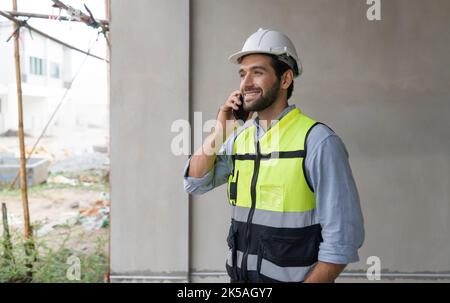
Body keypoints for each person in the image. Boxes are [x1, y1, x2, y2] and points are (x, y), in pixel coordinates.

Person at [183, 28, 364, 283]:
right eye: (242, 74)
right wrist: (220, 131)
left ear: (285, 79)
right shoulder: (239, 139)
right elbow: (195, 182)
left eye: (258, 72)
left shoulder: (317, 141)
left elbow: (342, 240)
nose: (246, 83)